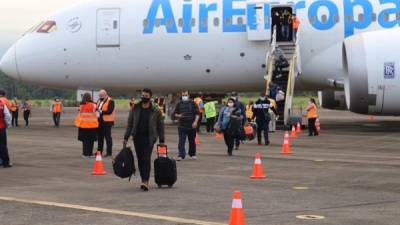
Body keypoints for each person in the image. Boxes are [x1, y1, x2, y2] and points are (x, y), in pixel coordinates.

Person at [123, 88, 165, 191]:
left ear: (150, 97)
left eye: (146, 96)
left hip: (149, 138)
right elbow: (130, 123)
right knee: (141, 160)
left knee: (146, 159)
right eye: (142, 96)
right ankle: (143, 180)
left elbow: (160, 125)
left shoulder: (155, 110)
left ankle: (145, 182)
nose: (144, 98)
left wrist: (162, 139)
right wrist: (126, 137)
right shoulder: (135, 108)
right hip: (137, 137)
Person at [173, 90, 200, 161]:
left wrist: (195, 122)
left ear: (188, 95)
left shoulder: (193, 103)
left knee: (192, 141)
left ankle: (192, 154)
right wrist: (178, 115)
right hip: (182, 125)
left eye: (185, 95)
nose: (184, 96)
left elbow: (197, 113)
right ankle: (181, 155)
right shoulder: (179, 104)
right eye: (183, 95)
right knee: (181, 141)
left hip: (191, 125)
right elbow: (174, 114)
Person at [76, 93, 99, 158]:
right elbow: (97, 115)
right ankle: (90, 153)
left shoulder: (81, 106)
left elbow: (79, 114)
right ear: (90, 98)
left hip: (83, 125)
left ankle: (85, 154)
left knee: (85, 140)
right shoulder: (94, 105)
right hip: (92, 125)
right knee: (91, 140)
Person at [96, 89, 115, 157]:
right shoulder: (98, 100)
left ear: (105, 95)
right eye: (100, 96)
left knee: (108, 138)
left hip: (107, 122)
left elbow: (109, 111)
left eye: (101, 96)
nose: (100, 97)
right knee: (100, 138)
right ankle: (99, 152)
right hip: (99, 122)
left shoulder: (111, 101)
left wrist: (100, 111)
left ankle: (109, 152)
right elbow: (96, 108)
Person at [0, 99, 12, 168]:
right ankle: (5, 162)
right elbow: (8, 116)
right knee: (2, 145)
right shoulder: (2, 104)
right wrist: (8, 125)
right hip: (1, 127)